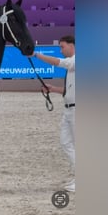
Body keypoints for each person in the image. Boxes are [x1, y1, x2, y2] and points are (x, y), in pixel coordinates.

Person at [32, 35, 75, 192]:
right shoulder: (72, 67)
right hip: (69, 108)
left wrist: (36, 55)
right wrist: (53, 89)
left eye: (63, 47)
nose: (61, 50)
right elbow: (68, 91)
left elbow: (59, 63)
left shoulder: (76, 61)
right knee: (66, 143)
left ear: (72, 45)